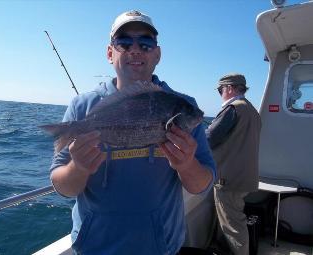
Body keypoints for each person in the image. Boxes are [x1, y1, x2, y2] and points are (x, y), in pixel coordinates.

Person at [49, 10, 216, 255]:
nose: (135, 49)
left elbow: (202, 185)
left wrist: (187, 164)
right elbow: (62, 188)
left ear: (157, 54)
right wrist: (79, 167)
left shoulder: (183, 105)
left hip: (161, 247)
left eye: (146, 43)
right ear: (110, 53)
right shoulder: (82, 106)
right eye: (124, 43)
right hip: (94, 247)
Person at [206, 73, 261, 255]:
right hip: (243, 177)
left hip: (228, 179)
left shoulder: (233, 109)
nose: (220, 94)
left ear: (229, 88)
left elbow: (209, 138)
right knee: (233, 221)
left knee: (233, 227)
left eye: (221, 90)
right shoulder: (252, 111)